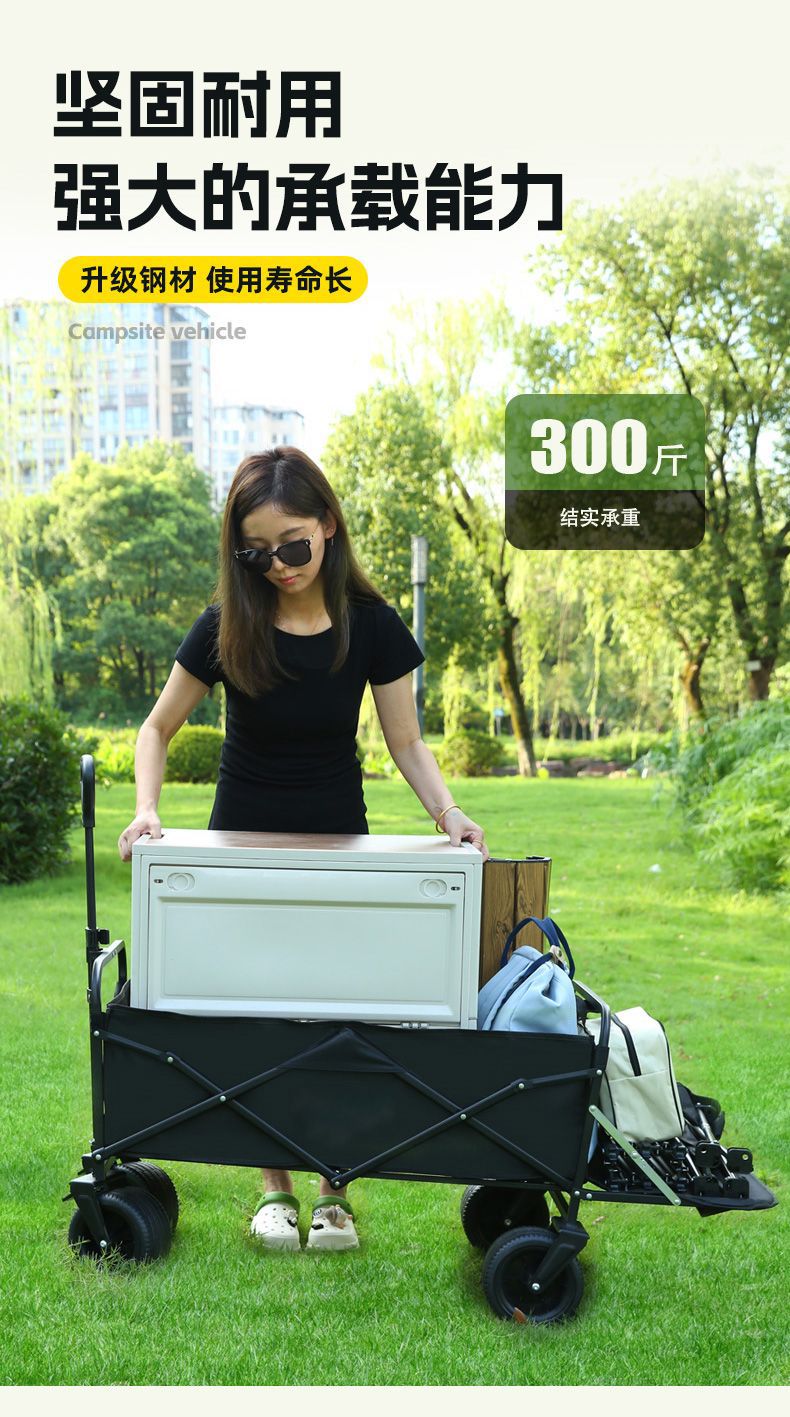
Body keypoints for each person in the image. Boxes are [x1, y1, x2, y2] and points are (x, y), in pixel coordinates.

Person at [118, 446, 489, 1253]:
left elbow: (406, 740)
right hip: (241, 844)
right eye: (256, 552)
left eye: (293, 545)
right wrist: (147, 810)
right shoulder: (226, 625)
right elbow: (156, 727)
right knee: (258, 1015)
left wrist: (449, 812)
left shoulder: (372, 625)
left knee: (338, 1016)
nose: (279, 565)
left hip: (337, 845)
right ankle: (274, 1191)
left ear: (327, 525)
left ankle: (334, 1192)